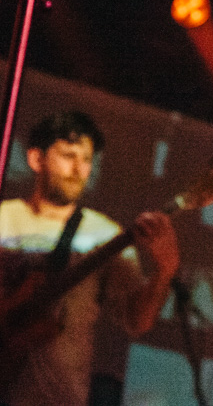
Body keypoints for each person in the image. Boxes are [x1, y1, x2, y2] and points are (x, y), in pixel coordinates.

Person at [0, 111, 180, 406]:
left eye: (87, 159)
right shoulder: (4, 218)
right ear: (36, 159)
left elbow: (137, 321)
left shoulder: (104, 235)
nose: (79, 169)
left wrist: (165, 271)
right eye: (69, 155)